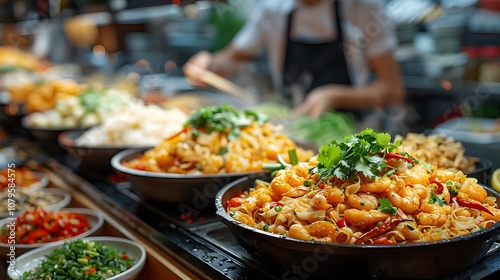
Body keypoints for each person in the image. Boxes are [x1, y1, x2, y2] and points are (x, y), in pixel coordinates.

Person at [183, 0, 405, 128]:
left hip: (352, 130)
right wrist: (208, 63)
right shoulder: (272, 9)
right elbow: (230, 59)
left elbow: (392, 90)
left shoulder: (364, 8)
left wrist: (333, 96)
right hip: (290, 126)